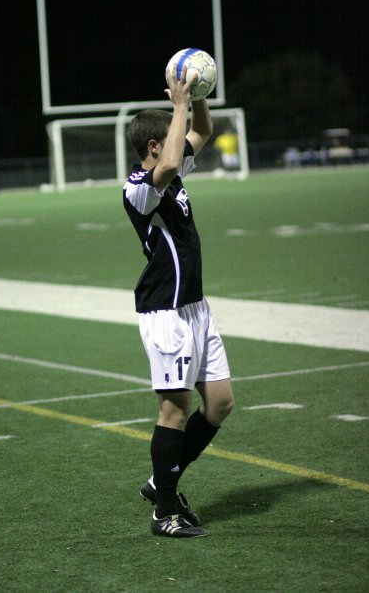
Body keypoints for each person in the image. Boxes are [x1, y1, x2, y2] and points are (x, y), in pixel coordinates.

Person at [123, 62, 235, 538]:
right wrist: (178, 105)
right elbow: (168, 165)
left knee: (220, 403)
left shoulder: (173, 167)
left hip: (195, 306)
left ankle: (160, 481)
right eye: (172, 131)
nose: (181, 135)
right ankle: (164, 511)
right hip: (164, 310)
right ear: (154, 144)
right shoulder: (138, 190)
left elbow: (205, 130)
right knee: (175, 408)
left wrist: (201, 93)